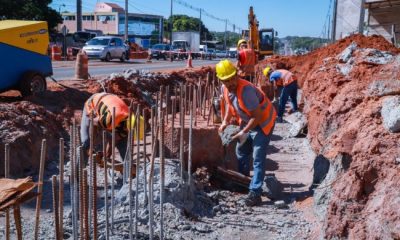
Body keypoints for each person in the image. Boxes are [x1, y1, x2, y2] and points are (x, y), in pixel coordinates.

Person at [217, 60, 276, 206]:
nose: (230, 83)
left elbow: (257, 116)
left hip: (263, 123)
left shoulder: (246, 91)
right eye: (226, 80)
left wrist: (243, 132)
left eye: (232, 78)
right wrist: (225, 121)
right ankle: (244, 182)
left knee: (258, 156)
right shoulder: (226, 89)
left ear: (237, 75)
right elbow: (230, 107)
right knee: (242, 151)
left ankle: (255, 193)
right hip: (248, 120)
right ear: (221, 80)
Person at [80, 92, 144, 162]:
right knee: (86, 142)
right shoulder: (108, 120)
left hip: (112, 107)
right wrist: (92, 144)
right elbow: (94, 123)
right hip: (93, 103)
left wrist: (107, 156)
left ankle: (127, 168)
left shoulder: (129, 121)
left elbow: (113, 139)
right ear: (128, 127)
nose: (129, 135)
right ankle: (78, 170)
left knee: (123, 144)